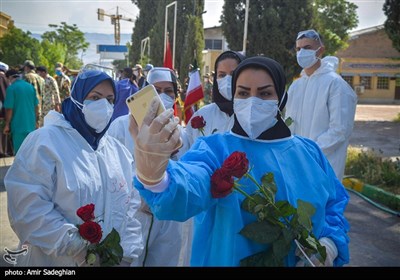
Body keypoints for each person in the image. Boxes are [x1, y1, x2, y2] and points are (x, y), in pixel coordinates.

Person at [129, 56, 350, 267]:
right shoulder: (215, 149)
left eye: (264, 93)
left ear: (281, 97)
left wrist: (329, 244)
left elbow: (333, 204)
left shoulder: (309, 152)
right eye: (243, 93)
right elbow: (191, 184)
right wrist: (156, 177)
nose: (252, 102)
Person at [4, 70, 143, 266]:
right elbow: (27, 207)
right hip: (56, 261)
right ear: (76, 99)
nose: (104, 106)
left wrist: (126, 252)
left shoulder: (116, 152)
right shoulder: (45, 142)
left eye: (110, 100)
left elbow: (130, 207)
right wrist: (76, 246)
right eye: (95, 97)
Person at [108, 67, 190, 266]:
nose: (162, 96)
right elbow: (109, 171)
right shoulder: (120, 126)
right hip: (132, 216)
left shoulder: (181, 134)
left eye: (168, 91)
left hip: (168, 220)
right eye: (156, 90)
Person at [285, 29, 357, 181]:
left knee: (322, 203)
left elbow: (340, 130)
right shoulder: (295, 86)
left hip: (323, 166)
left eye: (307, 47)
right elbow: (289, 125)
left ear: (321, 50)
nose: (301, 52)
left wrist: (309, 152)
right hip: (296, 164)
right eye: (298, 49)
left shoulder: (336, 85)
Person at [185, 51, 245, 146]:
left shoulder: (251, 115)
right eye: (222, 75)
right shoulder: (202, 115)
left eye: (233, 74)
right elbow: (186, 149)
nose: (227, 80)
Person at [3, 69, 39, 154]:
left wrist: (7, 125)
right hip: (31, 124)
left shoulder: (11, 89)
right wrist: (36, 121)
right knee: (31, 151)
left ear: (10, 78)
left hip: (18, 125)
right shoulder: (30, 87)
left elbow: (9, 109)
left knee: (20, 153)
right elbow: (36, 106)